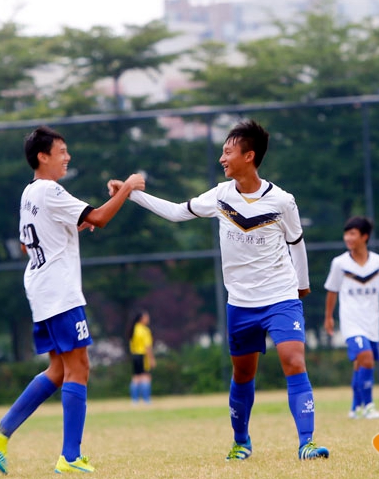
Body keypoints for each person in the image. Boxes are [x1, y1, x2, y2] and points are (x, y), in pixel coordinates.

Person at [108, 120, 329, 461]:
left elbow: (296, 242)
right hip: (240, 303)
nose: (223, 158)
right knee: (243, 373)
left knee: (294, 360)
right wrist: (130, 193)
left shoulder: (282, 201)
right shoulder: (220, 195)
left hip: (280, 297)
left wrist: (302, 285)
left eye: (228, 152)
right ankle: (241, 442)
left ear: (249, 156)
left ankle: (307, 443)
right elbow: (177, 213)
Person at [0, 125, 145, 475]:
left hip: (42, 289)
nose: (67, 156)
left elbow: (29, 244)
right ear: (43, 156)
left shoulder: (30, 194)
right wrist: (127, 188)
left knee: (59, 369)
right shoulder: (50, 191)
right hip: (59, 291)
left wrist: (77, 225)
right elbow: (98, 216)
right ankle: (70, 457)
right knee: (79, 368)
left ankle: (1, 430)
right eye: (62, 151)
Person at [324, 216, 379, 420]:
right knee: (366, 358)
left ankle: (355, 407)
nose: (347, 238)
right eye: (346, 233)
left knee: (361, 363)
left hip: (371, 321)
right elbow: (332, 291)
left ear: (364, 236)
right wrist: (329, 317)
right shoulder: (339, 263)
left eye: (353, 234)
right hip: (351, 321)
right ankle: (368, 406)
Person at [128, 310, 156, 404]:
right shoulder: (145, 330)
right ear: (141, 319)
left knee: (136, 378)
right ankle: (146, 400)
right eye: (146, 317)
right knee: (146, 377)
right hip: (143, 356)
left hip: (135, 355)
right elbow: (147, 346)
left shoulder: (134, 329)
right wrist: (151, 359)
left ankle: (134, 400)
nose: (148, 319)